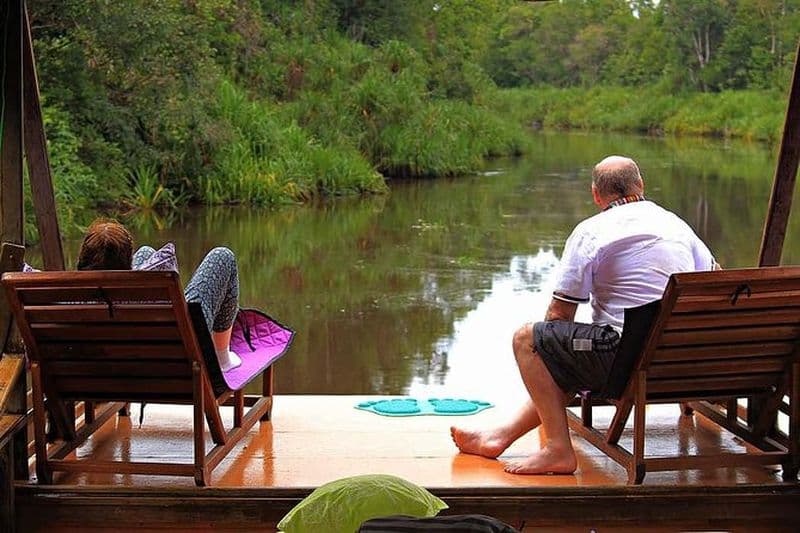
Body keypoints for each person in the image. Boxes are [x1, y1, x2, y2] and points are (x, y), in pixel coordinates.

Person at [451, 155, 718, 475]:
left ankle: (557, 449)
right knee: (567, 351)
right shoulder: (676, 224)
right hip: (686, 358)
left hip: (622, 362)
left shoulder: (592, 231)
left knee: (530, 341)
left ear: (596, 194)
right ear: (641, 185)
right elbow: (715, 282)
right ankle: (499, 436)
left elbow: (559, 314)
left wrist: (560, 354)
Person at [76, 218, 243, 372]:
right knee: (222, 256)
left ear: (82, 259)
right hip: (177, 359)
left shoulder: (69, 304)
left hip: (107, 368)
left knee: (146, 252)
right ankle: (221, 357)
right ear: (127, 263)